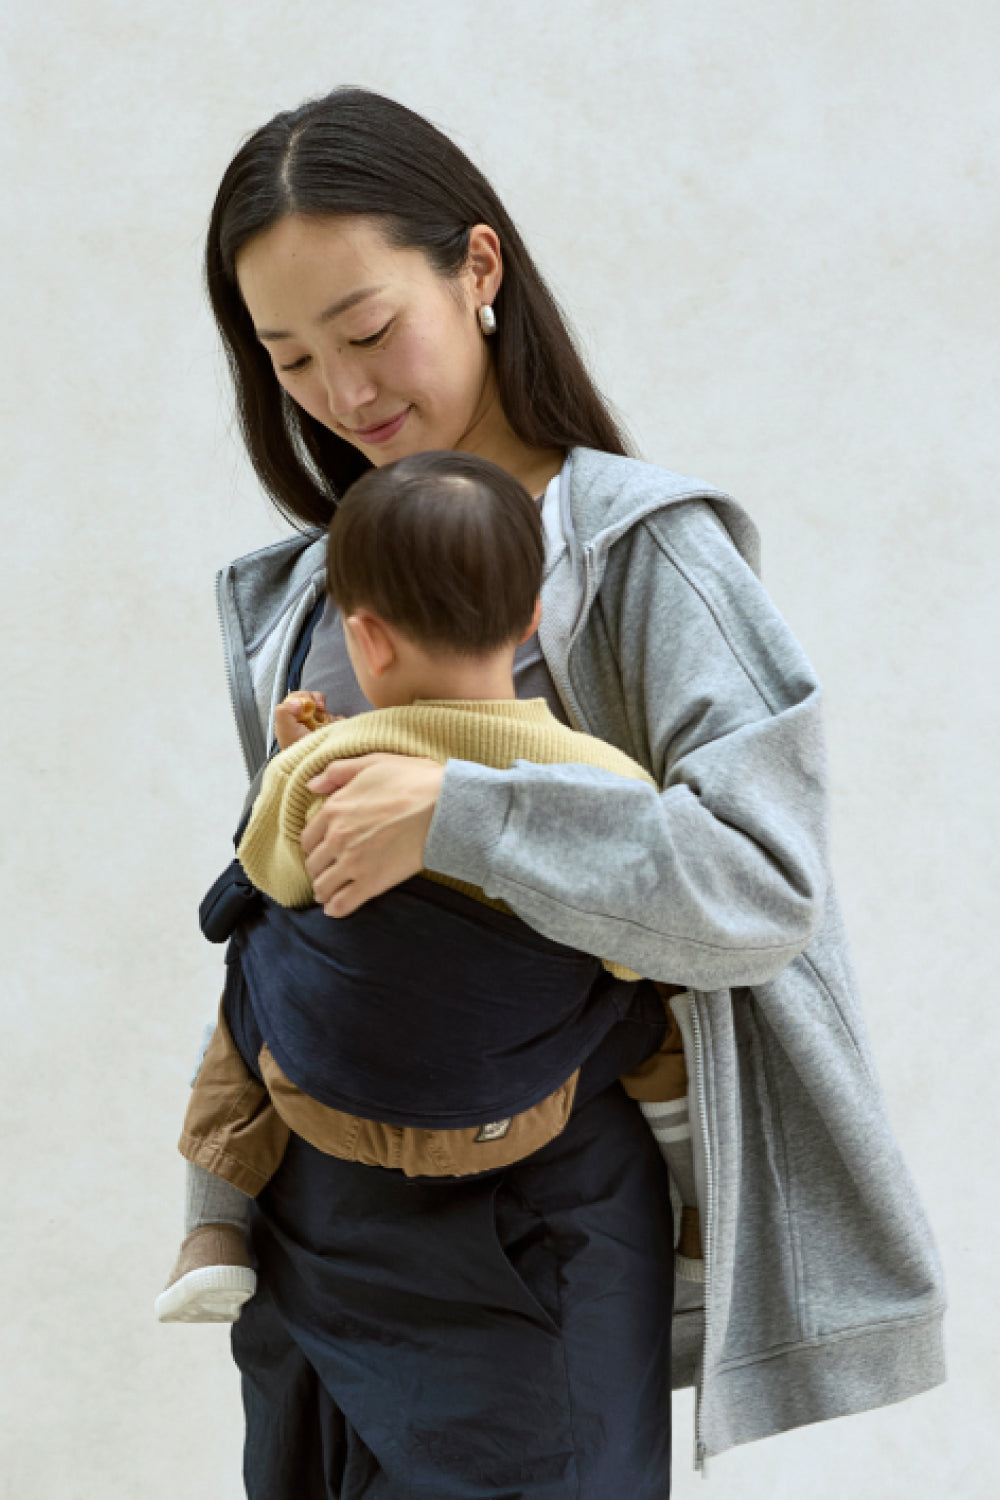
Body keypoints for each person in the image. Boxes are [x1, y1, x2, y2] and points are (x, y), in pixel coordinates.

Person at [191, 85, 944, 1496]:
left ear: (477, 269)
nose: (344, 394)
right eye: (290, 360)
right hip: (312, 1229)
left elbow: (760, 886)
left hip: (535, 1220)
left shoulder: (643, 558)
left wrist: (460, 816)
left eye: (367, 331)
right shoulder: (294, 595)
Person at [156, 451, 699, 1324]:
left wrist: (297, 761)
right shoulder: (604, 778)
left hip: (324, 1103)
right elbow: (628, 943)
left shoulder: (331, 766)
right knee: (658, 1001)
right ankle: (702, 1213)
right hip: (519, 1110)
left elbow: (274, 876)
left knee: (254, 954)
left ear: (365, 639)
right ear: (531, 619)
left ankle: (212, 1228)